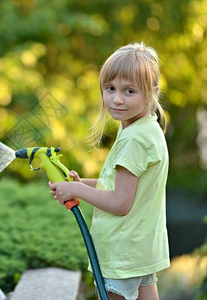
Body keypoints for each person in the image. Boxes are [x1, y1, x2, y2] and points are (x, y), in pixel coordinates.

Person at [49, 42, 170, 300]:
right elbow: (122, 187)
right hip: (140, 249)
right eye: (110, 88)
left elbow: (120, 203)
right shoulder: (146, 129)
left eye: (129, 91)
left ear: (152, 92)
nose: (117, 98)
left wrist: (76, 190)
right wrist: (83, 184)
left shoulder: (133, 139)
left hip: (122, 253)